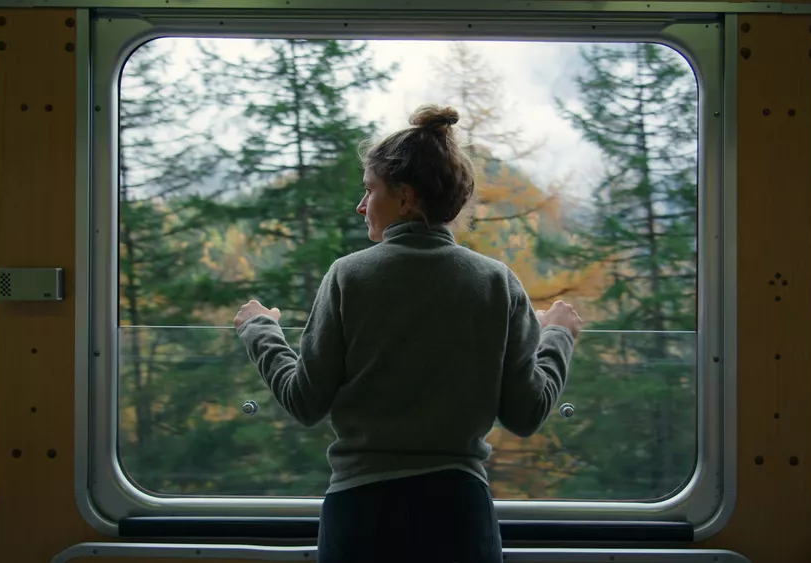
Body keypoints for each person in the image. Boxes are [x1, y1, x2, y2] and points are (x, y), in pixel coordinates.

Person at [234, 104, 583, 563]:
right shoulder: (496, 282)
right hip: (459, 518)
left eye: (369, 190)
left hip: (362, 516)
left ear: (404, 197)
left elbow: (305, 401)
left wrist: (261, 330)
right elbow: (526, 414)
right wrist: (557, 336)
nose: (361, 205)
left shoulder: (348, 277)